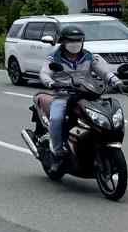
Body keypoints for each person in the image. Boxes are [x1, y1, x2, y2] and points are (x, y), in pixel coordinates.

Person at [37, 25, 120, 169]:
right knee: (56, 119)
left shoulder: (89, 57)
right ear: (63, 41)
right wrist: (51, 83)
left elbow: (104, 71)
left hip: (87, 95)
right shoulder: (54, 57)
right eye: (71, 40)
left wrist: (116, 81)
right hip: (63, 96)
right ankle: (57, 153)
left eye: (78, 40)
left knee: (103, 117)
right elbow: (44, 73)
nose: (75, 44)